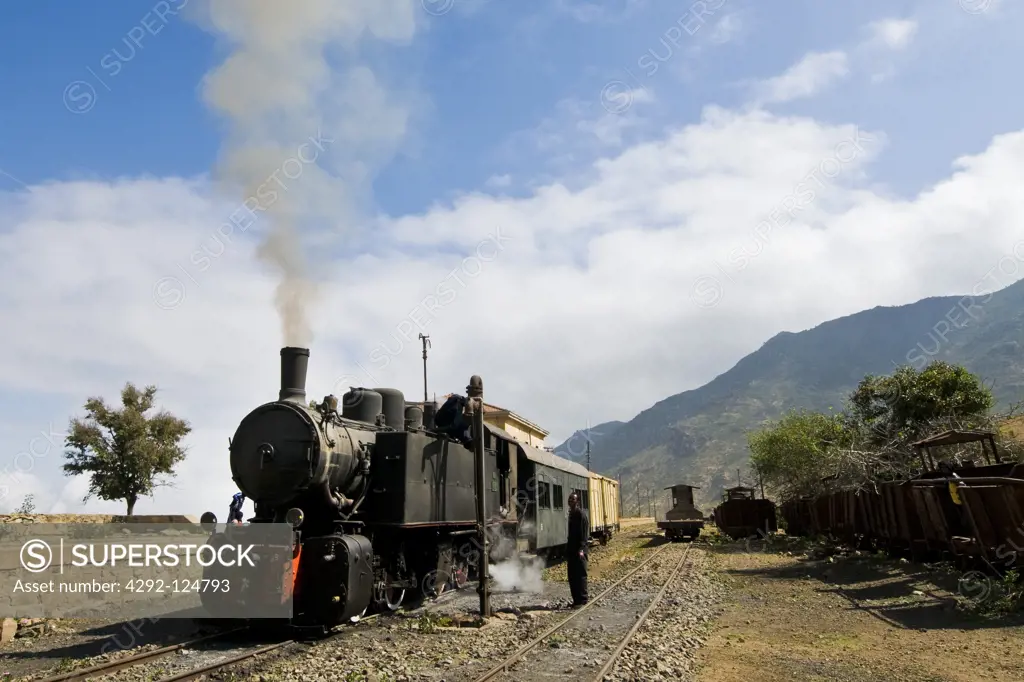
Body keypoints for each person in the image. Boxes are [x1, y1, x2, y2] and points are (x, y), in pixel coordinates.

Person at [566, 491, 589, 607]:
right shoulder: (571, 514)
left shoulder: (581, 515)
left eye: (573, 499)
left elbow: (584, 534)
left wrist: (581, 549)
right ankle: (576, 600)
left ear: (577, 501)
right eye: (569, 499)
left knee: (580, 575)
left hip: (579, 550)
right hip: (571, 550)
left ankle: (583, 600)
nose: (570, 501)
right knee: (572, 575)